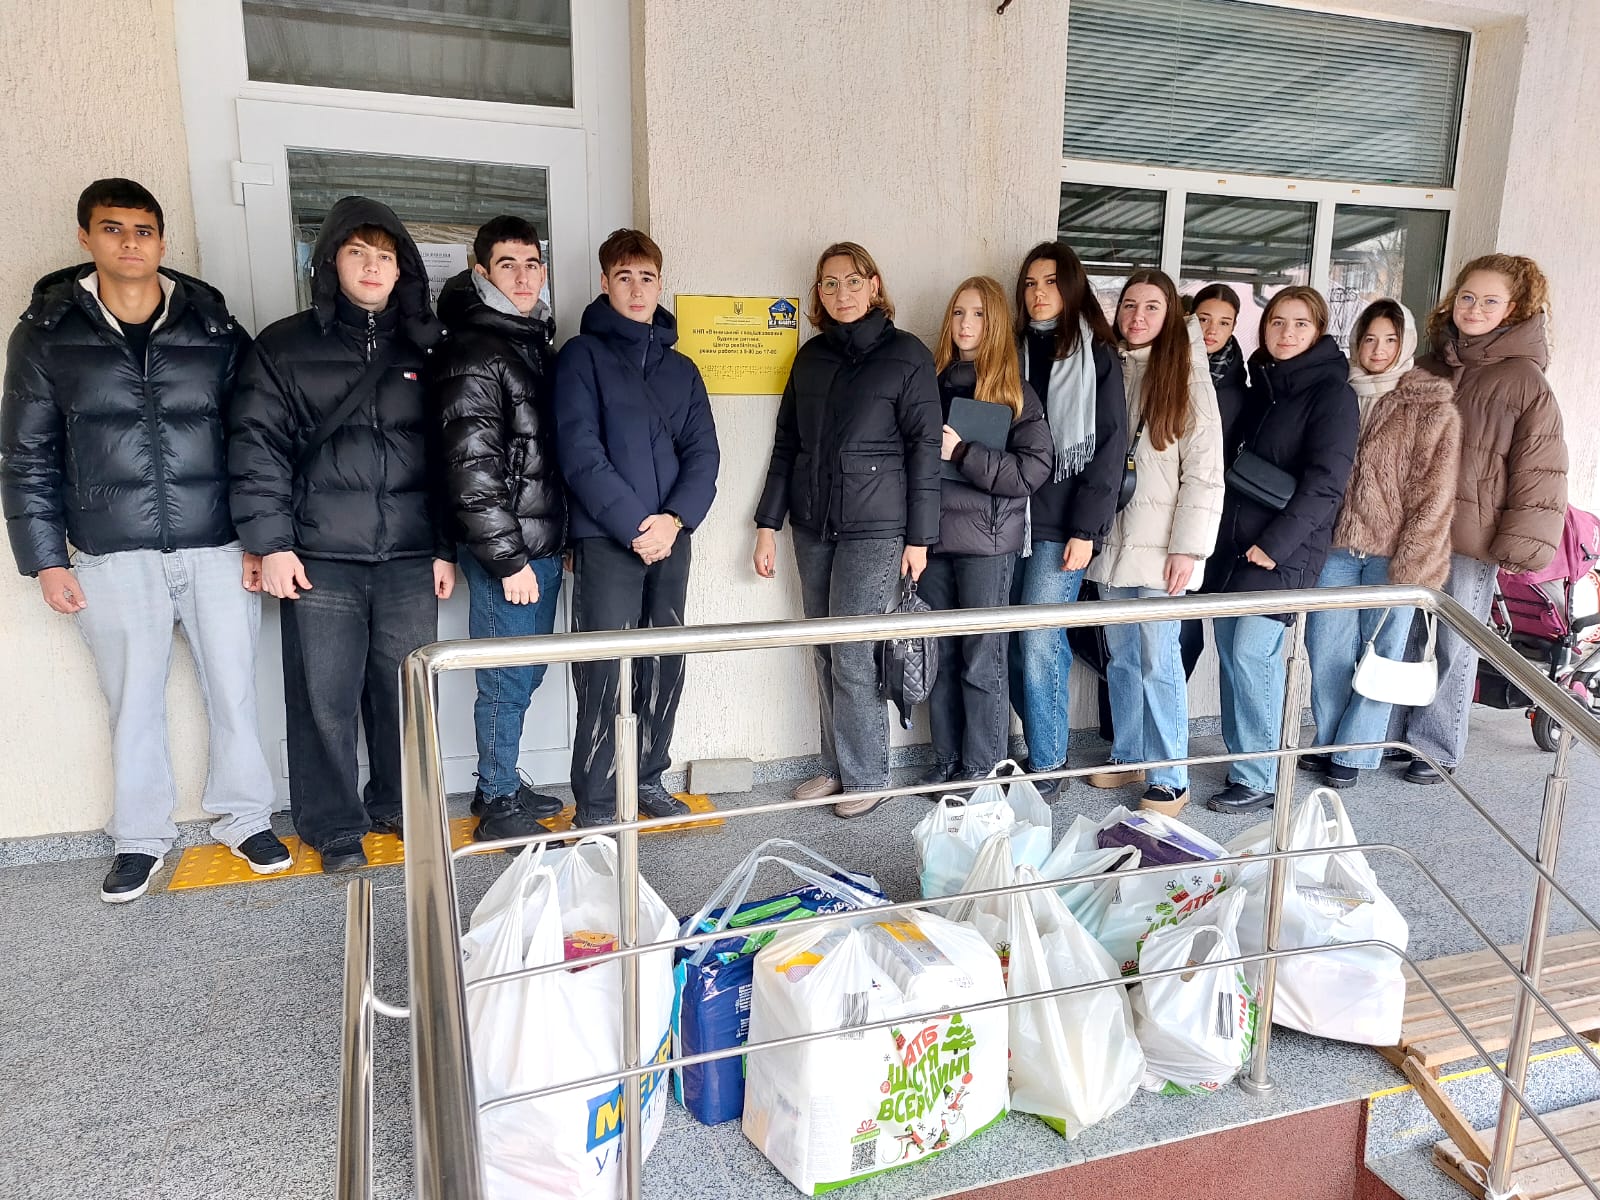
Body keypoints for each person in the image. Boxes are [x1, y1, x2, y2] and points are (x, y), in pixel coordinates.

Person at [1, 178, 291, 901]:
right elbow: (26, 454)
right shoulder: (47, 333)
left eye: (143, 230)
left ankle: (246, 817)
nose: (130, 243)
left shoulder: (212, 326)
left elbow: (255, 437)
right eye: (113, 228)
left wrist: (259, 537)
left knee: (234, 691)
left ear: (161, 240)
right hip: (111, 550)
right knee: (132, 702)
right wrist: (44, 560)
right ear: (86, 237)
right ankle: (139, 837)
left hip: (218, 544)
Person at [230, 195, 455, 872]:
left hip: (410, 556)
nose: (372, 266)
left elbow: (447, 457)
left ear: (403, 269)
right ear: (331, 262)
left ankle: (399, 802)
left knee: (406, 693)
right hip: (319, 554)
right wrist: (271, 544)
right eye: (357, 252)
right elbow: (257, 447)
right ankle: (331, 824)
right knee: (323, 698)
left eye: (385, 255)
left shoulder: (427, 349)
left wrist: (445, 546)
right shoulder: (285, 345)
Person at [753, 241, 940, 818]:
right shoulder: (811, 357)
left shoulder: (907, 355)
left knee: (855, 652)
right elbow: (787, 444)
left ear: (874, 285)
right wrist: (767, 524)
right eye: (830, 283)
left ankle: (867, 776)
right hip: (813, 525)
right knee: (825, 648)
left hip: (877, 529)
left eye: (853, 280)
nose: (842, 293)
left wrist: (920, 537)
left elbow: (925, 449)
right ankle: (837, 766)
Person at [555, 228, 720, 827]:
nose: (635, 288)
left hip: (671, 538)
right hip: (607, 539)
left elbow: (704, 455)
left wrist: (673, 522)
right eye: (623, 277)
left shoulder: (683, 370)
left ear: (659, 283)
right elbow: (579, 452)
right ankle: (597, 801)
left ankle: (648, 776)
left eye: (646, 277)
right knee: (605, 669)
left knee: (664, 659)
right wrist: (634, 525)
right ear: (605, 283)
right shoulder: (581, 356)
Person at [1394, 255, 1567, 784]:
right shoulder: (1429, 366)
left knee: (1455, 641)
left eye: (1490, 301)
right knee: (1401, 633)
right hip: (1413, 529)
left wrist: (1520, 544)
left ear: (1513, 309)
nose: (1474, 309)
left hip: (1472, 537)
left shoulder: (1524, 380)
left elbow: (1540, 469)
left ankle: (1436, 745)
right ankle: (1392, 733)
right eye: (1467, 297)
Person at [433, 215, 567, 838]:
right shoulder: (475, 350)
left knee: (525, 672)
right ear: (481, 272)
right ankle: (497, 805)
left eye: (531, 264)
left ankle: (500, 784)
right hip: (508, 553)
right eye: (507, 265)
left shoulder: (530, 342)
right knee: (505, 677)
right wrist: (508, 560)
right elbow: (471, 469)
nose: (522, 277)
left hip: (540, 543)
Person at [1207, 286, 1358, 814]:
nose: (1286, 333)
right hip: (1235, 546)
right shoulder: (1265, 385)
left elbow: (1326, 484)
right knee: (1232, 655)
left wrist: (1275, 545)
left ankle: (1261, 775)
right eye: (1277, 322)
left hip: (1282, 551)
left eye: (1299, 324)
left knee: (1253, 653)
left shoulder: (1332, 394)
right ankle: (1245, 764)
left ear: (1318, 332)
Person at [1303, 300, 1460, 789]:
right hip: (1335, 548)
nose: (1377, 349)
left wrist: (1413, 563)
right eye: (1369, 339)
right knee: (1325, 650)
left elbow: (1435, 492)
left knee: (1383, 656)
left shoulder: (1432, 405)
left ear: (1405, 344)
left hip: (1392, 556)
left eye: (1390, 339)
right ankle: (1329, 741)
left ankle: (1354, 751)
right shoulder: (1338, 392)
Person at [1084, 270, 1224, 815]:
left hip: (1163, 549)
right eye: (1129, 306)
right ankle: (1129, 755)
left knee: (1158, 661)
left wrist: (1189, 548)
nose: (1137, 317)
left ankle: (1170, 776)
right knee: (1120, 658)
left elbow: (1205, 471)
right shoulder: (1110, 367)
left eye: (1150, 307)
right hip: (1114, 541)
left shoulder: (1187, 375)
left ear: (1170, 316)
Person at [922, 276, 1052, 785]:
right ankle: (947, 763)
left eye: (977, 314)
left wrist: (963, 453)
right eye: (958, 312)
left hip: (987, 543)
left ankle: (981, 771)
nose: (965, 324)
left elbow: (1031, 472)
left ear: (994, 322)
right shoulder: (930, 382)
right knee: (940, 656)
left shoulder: (1015, 393)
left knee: (982, 659)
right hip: (931, 541)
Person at [1012, 241, 1128, 794]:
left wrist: (1087, 530)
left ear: (1072, 286)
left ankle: (1049, 760)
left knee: (1040, 638)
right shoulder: (1010, 349)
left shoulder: (1095, 355)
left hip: (1062, 527)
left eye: (1051, 282)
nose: (1039, 293)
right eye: (1030, 283)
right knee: (1012, 640)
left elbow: (1108, 450)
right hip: (1007, 519)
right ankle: (1037, 743)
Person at [1181, 283, 1251, 677]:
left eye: (1224, 323)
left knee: (1185, 632)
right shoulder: (1170, 366)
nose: (1212, 330)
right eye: (1204, 319)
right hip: (1158, 503)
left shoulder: (1239, 386)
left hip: (1209, 517)